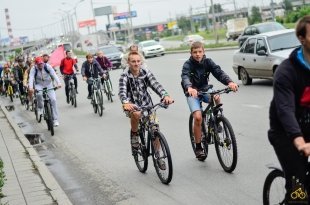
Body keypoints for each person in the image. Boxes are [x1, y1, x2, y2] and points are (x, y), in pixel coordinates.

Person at [268, 15, 310, 204]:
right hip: (286, 133)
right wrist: (300, 142)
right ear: (301, 38)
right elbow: (285, 109)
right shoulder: (286, 71)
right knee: (298, 192)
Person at [181, 41, 238, 160]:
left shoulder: (208, 62)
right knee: (197, 117)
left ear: (203, 51)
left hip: (205, 89)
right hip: (192, 93)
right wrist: (189, 87)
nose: (197, 54)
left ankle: (217, 121)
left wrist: (230, 82)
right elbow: (185, 77)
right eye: (195, 52)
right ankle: (198, 147)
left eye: (199, 52)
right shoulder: (187, 65)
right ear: (191, 53)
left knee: (216, 96)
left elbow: (218, 72)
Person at [119, 51, 174, 169]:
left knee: (155, 129)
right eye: (133, 61)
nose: (136, 63)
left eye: (138, 61)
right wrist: (126, 102)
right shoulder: (124, 75)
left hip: (147, 105)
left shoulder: (145, 72)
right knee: (137, 114)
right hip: (132, 106)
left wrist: (165, 95)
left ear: (141, 62)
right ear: (128, 62)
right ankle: (134, 135)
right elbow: (122, 91)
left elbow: (156, 84)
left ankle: (158, 155)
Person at [28, 57, 62, 127]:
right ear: (36, 64)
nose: (41, 65)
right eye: (39, 64)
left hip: (48, 84)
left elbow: (54, 74)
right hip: (39, 85)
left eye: (41, 63)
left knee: (53, 100)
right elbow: (31, 78)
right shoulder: (33, 69)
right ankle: (40, 108)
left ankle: (55, 119)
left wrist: (59, 83)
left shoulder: (47, 66)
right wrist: (31, 87)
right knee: (39, 95)